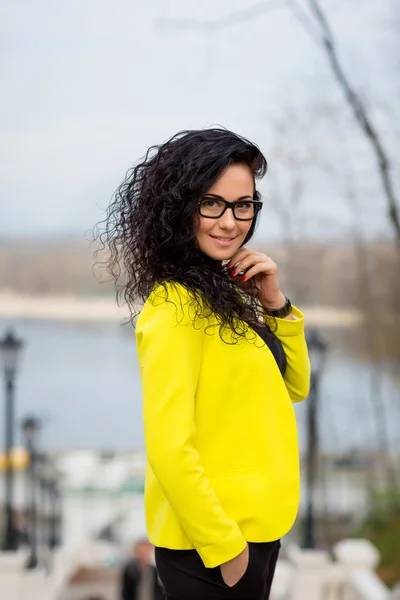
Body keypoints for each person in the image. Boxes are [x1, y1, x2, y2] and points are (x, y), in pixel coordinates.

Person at [97, 128, 310, 600]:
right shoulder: (174, 305)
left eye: (243, 205)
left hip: (253, 530)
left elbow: (293, 386)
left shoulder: (228, 291)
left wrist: (276, 305)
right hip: (212, 546)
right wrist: (224, 547)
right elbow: (170, 446)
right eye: (211, 203)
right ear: (180, 208)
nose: (230, 221)